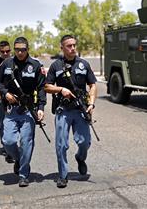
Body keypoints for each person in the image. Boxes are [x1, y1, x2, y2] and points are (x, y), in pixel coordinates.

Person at [44, 34, 97, 188]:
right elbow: (47, 86)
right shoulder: (56, 66)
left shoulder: (84, 64)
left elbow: (92, 85)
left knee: (84, 142)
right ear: (62, 48)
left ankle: (80, 158)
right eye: (69, 46)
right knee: (61, 145)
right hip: (63, 110)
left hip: (80, 109)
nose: (72, 48)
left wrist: (91, 104)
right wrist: (61, 89)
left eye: (74, 45)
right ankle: (63, 175)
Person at [0, 37, 46, 187]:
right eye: (17, 49)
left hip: (28, 111)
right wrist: (5, 93)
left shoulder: (35, 65)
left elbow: (41, 88)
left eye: (23, 49)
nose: (20, 52)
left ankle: (24, 174)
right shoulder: (6, 64)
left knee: (26, 142)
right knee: (8, 141)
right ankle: (19, 159)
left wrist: (41, 108)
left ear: (27, 49)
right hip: (11, 110)